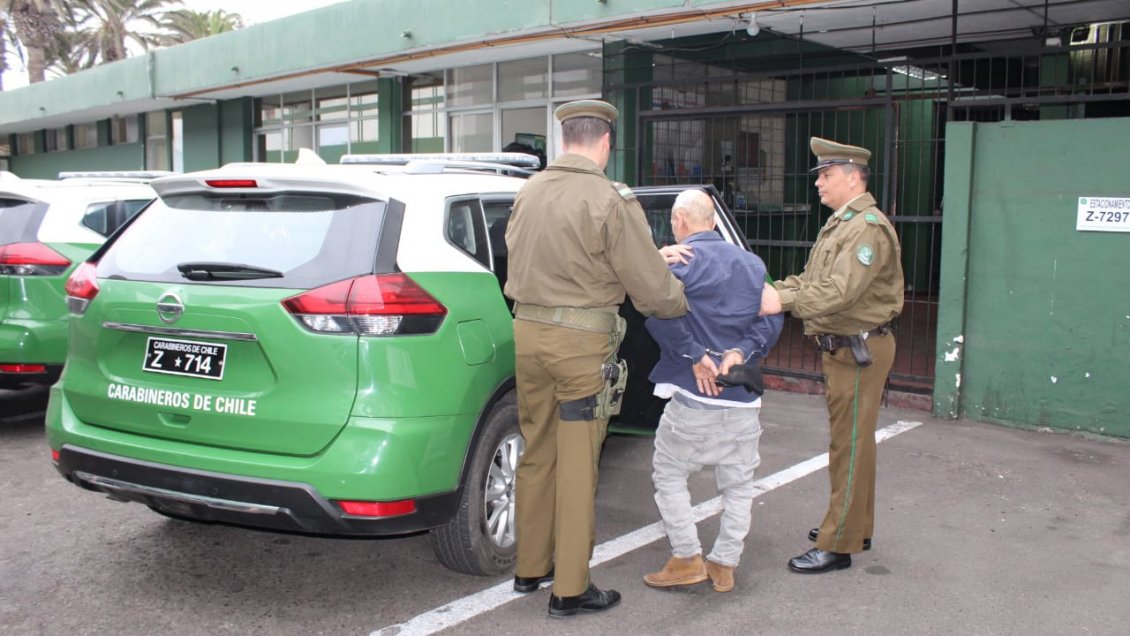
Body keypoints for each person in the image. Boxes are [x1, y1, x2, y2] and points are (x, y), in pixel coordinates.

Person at [504, 99, 689, 617]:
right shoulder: (609, 198)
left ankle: (530, 566)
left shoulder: (529, 191)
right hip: (579, 347)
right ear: (606, 142)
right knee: (579, 462)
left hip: (527, 336)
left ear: (564, 139)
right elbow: (651, 289)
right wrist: (680, 298)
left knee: (537, 450)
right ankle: (570, 588)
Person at [768, 137, 904, 574]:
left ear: (852, 176)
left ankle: (838, 543)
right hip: (846, 349)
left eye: (826, 176)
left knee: (849, 445)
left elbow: (837, 293)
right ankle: (853, 525)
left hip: (857, 350)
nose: (819, 184)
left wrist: (782, 302)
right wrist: (776, 292)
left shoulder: (865, 227)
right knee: (853, 443)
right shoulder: (841, 224)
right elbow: (810, 280)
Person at [641, 189, 783, 593]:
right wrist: (740, 352)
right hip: (743, 397)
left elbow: (657, 313)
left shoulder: (681, 262)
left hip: (693, 397)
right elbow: (772, 318)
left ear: (679, 222)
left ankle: (686, 556)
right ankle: (724, 564)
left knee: (669, 474)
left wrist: (695, 354)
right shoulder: (753, 264)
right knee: (738, 486)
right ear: (715, 222)